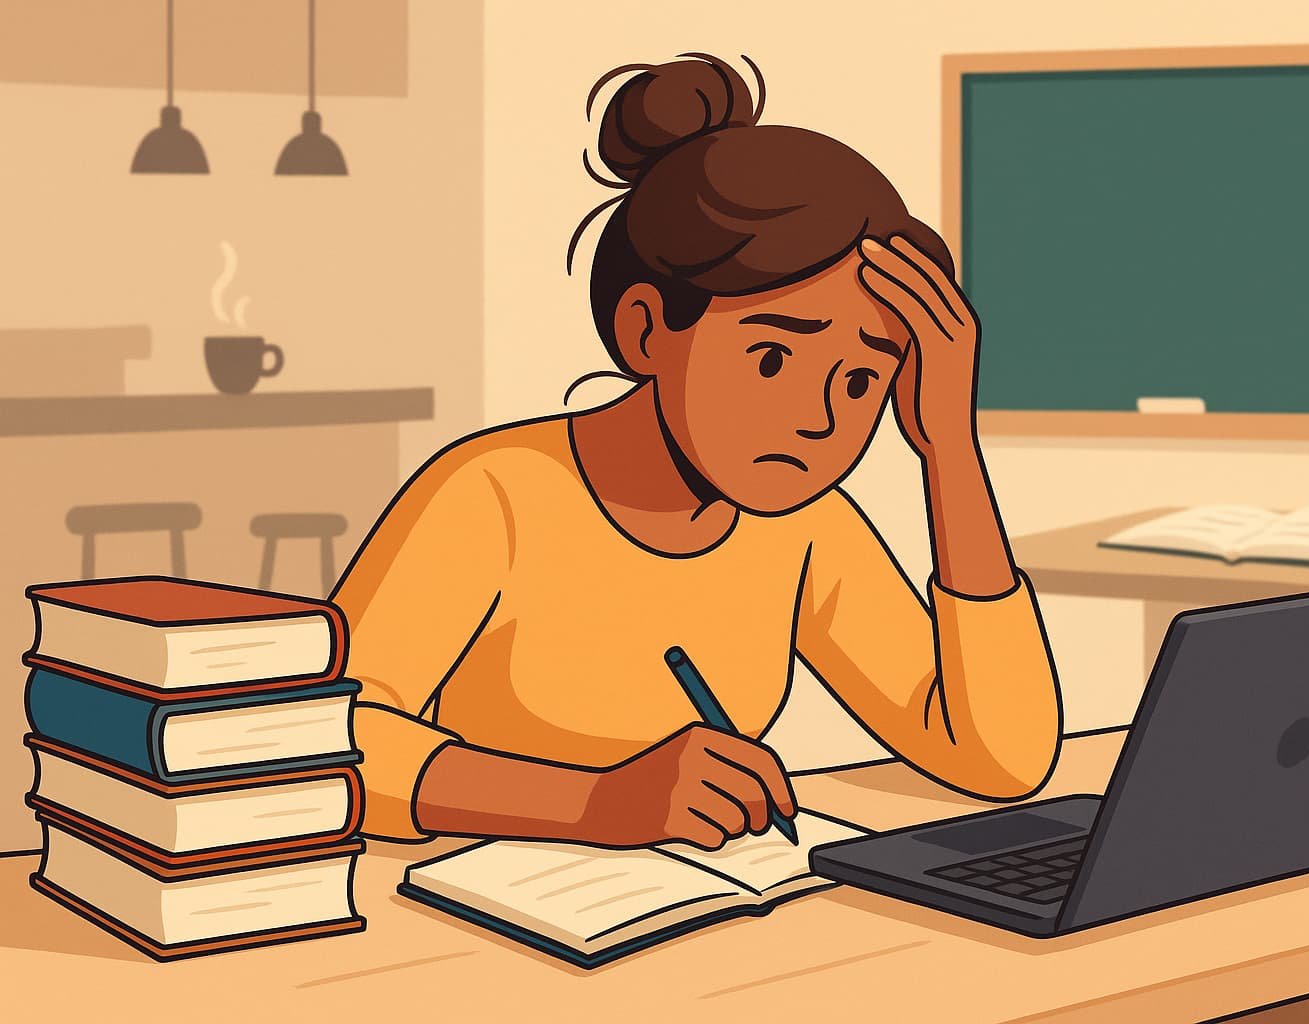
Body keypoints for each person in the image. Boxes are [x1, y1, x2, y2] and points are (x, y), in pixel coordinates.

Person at [331, 54, 1062, 850]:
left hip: (695, 914)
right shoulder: (494, 493)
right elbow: (331, 737)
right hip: (484, 918)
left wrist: (948, 451)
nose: (821, 419)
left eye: (859, 382)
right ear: (647, 330)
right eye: (774, 360)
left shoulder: (806, 527)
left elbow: (1000, 760)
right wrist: (594, 806)